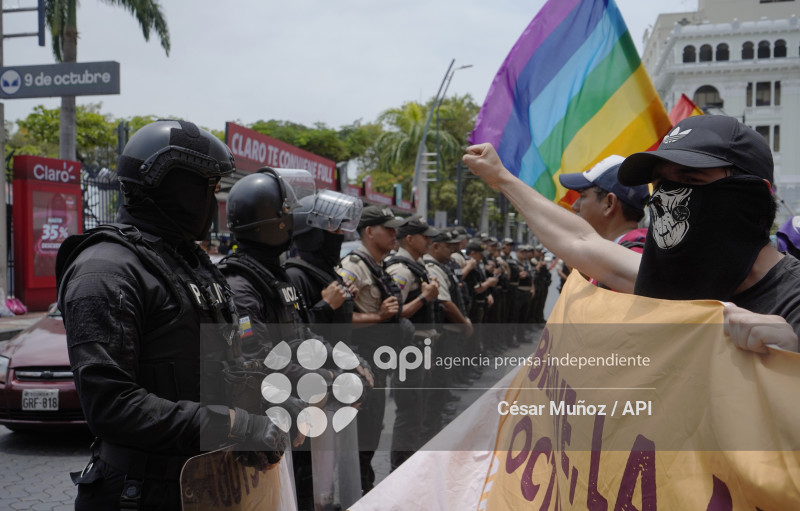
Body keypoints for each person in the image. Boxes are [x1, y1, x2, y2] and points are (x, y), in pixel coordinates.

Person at [56, 120, 289, 510]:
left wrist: (257, 418)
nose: (213, 202)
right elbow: (110, 406)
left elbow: (223, 361)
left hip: (206, 483)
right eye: (207, 188)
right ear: (171, 185)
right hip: (142, 493)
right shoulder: (106, 269)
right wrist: (233, 424)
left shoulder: (190, 262)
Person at [464, 114, 799, 353]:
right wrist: (501, 179)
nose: (668, 198)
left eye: (691, 181)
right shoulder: (676, 283)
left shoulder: (793, 298)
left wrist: (792, 353)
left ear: (751, 194)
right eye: (664, 184)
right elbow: (581, 242)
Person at [336, 205, 404, 493]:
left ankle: (364, 486)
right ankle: (357, 491)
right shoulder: (353, 266)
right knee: (362, 437)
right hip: (361, 363)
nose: (394, 233)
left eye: (394, 228)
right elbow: (337, 317)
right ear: (368, 231)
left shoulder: (377, 266)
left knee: (373, 432)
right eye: (387, 228)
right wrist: (379, 317)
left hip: (379, 361)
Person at [384, 216, 441, 470]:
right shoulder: (401, 270)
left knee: (418, 410)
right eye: (424, 236)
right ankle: (401, 467)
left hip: (421, 347)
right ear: (409, 238)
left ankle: (410, 463)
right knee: (409, 411)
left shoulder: (415, 265)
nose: (429, 241)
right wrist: (425, 298)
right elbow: (396, 313)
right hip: (410, 350)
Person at [559, 155, 649, 254]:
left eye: (583, 196)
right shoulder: (633, 255)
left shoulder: (630, 260)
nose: (574, 206)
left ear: (609, 204)